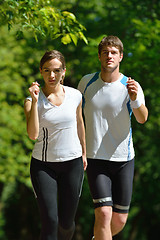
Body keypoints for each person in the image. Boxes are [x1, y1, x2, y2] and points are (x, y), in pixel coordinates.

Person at [78, 35, 148, 240]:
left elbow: (142, 118)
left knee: (118, 220)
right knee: (104, 213)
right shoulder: (86, 83)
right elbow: (73, 115)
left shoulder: (130, 85)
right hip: (95, 158)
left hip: (123, 159)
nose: (109, 56)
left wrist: (135, 99)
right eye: (105, 52)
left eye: (114, 52)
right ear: (99, 57)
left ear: (121, 57)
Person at [24, 50, 87, 240]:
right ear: (41, 72)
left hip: (73, 163)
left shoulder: (76, 95)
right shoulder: (31, 101)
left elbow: (79, 123)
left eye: (57, 70)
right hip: (44, 166)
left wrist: (84, 153)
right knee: (50, 221)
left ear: (64, 72)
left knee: (66, 224)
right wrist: (35, 102)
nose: (52, 75)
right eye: (47, 70)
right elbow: (33, 134)